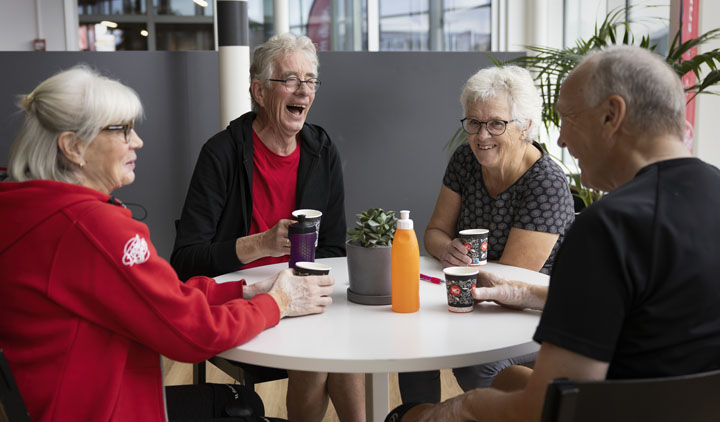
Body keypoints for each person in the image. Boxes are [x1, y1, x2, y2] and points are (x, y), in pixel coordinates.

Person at [387, 45, 720, 422]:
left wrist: (453, 409)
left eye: (568, 118)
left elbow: (548, 409)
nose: (560, 140)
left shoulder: (609, 227)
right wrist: (522, 292)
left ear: (612, 115)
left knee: (407, 415)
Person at [0, 65, 335, 422]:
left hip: (58, 403)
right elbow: (194, 334)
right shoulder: (92, 228)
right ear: (73, 146)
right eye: (122, 130)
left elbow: (157, 298)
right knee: (245, 407)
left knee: (242, 403)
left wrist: (246, 292)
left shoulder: (24, 208)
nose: (137, 141)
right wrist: (278, 302)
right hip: (104, 408)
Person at [171, 33, 363, 422]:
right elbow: (186, 261)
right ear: (259, 91)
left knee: (348, 351)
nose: (304, 91)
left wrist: (301, 282)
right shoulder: (221, 153)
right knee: (318, 359)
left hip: (303, 293)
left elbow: (332, 248)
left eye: (310, 80)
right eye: (290, 79)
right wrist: (258, 245)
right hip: (241, 299)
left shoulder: (321, 150)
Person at [398, 65, 575, 403]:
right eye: (474, 123)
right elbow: (434, 231)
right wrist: (448, 248)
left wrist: (458, 265)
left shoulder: (546, 183)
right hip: (471, 298)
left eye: (496, 123)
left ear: (524, 127)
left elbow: (509, 276)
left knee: (476, 365)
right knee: (412, 346)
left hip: (527, 315)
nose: (482, 136)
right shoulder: (466, 160)